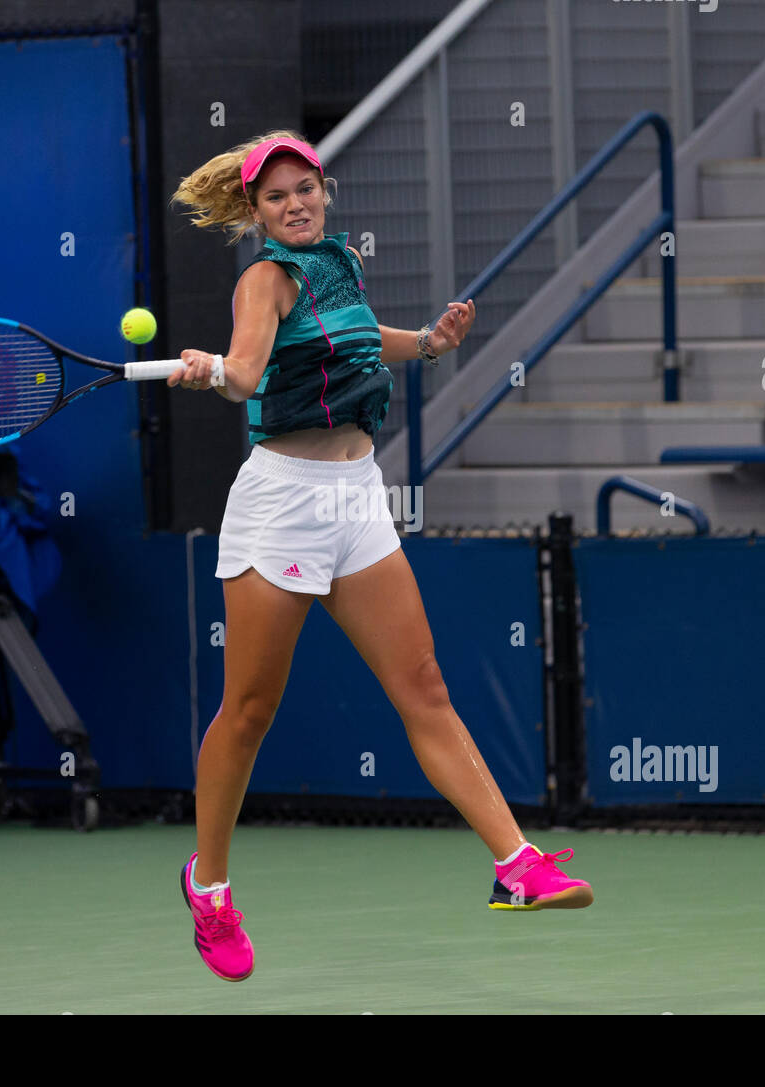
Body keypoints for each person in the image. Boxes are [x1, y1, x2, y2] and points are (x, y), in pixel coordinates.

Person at [166, 131, 592, 983]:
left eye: (305, 189)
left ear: (324, 192)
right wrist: (214, 368)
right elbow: (250, 375)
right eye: (277, 196)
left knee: (423, 686)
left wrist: (429, 344)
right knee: (248, 713)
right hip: (281, 504)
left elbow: (357, 341)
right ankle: (209, 888)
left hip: (358, 497)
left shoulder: (339, 267)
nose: (295, 205)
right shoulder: (264, 279)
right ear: (254, 212)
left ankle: (516, 865)